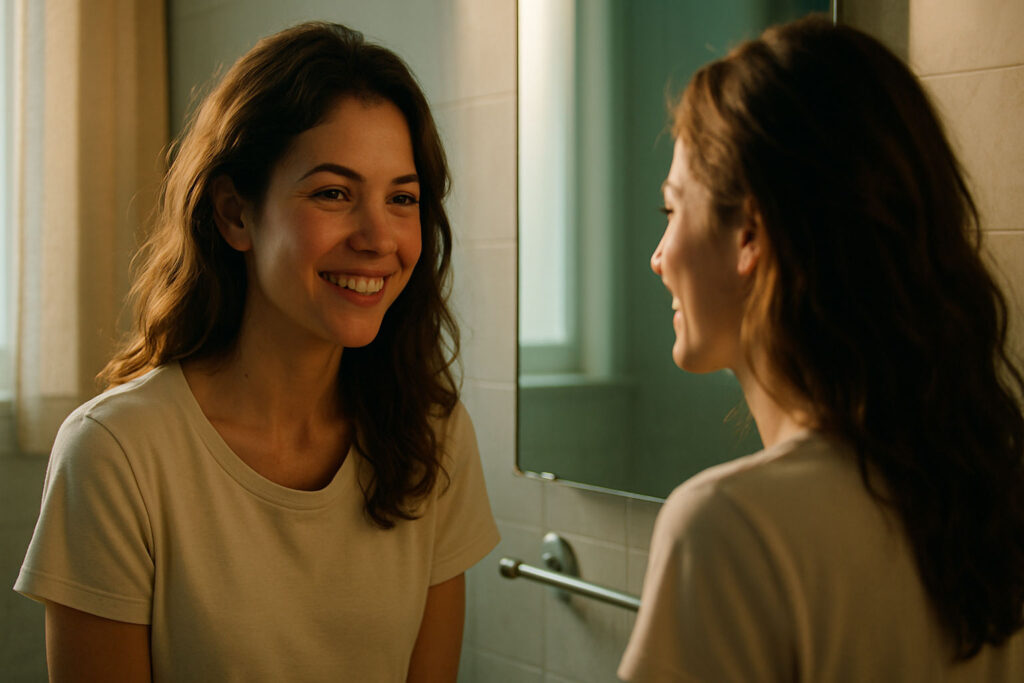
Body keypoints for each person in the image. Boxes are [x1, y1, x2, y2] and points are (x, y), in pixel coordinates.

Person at [14, 21, 499, 682]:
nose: (378, 236)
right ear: (234, 214)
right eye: (333, 193)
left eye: (402, 198)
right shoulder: (115, 454)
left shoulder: (431, 436)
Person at [619, 15, 1024, 682]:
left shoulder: (730, 529)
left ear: (750, 231)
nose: (659, 258)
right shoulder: (987, 504)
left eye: (672, 209)